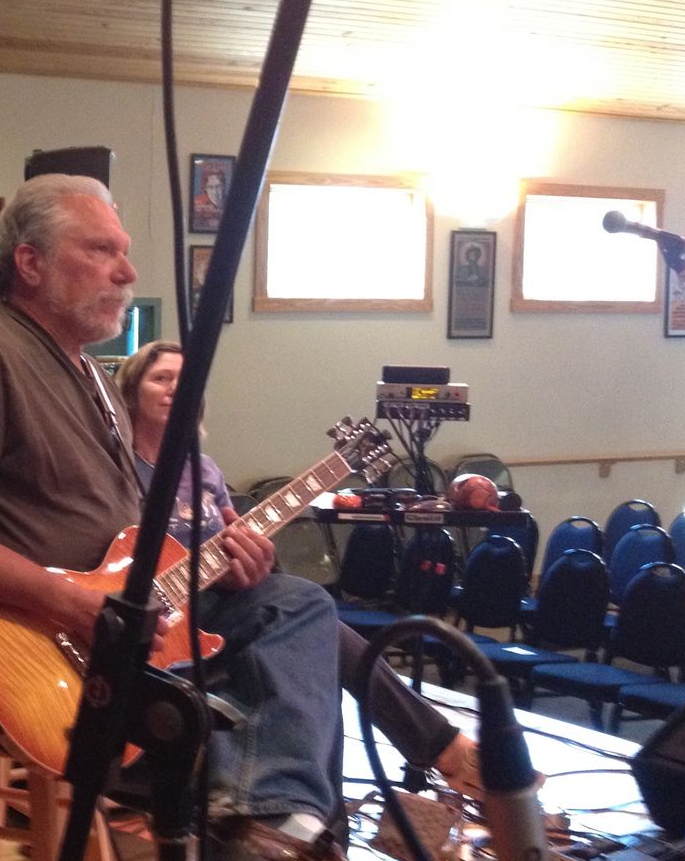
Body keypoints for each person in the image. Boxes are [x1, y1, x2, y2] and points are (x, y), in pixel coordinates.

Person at [0, 174, 429, 861]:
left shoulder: (92, 381)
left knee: (294, 609)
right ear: (29, 263)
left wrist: (219, 553)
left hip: (130, 634)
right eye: (101, 250)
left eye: (126, 253)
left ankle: (281, 831)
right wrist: (68, 603)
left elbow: (125, 540)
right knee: (242, 768)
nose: (126, 271)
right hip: (31, 659)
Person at [113, 339, 483, 796]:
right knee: (321, 628)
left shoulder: (203, 470)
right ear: (131, 392)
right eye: (161, 378)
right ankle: (442, 749)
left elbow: (235, 541)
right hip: (156, 621)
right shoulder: (114, 466)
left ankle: (326, 803)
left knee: (316, 618)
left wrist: (255, 561)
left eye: (184, 380)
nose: (175, 388)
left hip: (219, 607)